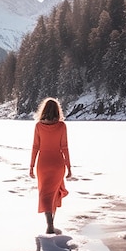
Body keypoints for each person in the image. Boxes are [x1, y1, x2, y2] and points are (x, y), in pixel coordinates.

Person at [29, 97, 72, 234]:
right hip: (58, 163)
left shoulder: (38, 126)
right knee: (55, 192)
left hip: (43, 163)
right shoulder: (61, 126)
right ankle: (52, 221)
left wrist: (31, 166)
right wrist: (69, 167)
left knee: (45, 194)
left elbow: (36, 147)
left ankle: (49, 223)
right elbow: (64, 147)